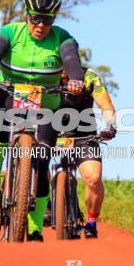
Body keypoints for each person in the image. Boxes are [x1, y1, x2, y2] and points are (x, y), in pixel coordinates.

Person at [0, 0, 84, 242]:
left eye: (47, 20)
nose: (40, 25)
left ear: (54, 18)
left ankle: (35, 228)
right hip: (10, 95)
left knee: (42, 160)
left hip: (46, 104)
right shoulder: (10, 32)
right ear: (26, 13)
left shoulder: (62, 38)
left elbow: (72, 60)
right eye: (35, 18)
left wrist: (76, 79)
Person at [52, 67, 117, 238]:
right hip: (49, 132)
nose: (65, 68)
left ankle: (91, 223)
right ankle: (48, 203)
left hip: (83, 134)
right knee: (34, 159)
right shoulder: (42, 73)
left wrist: (110, 125)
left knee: (94, 178)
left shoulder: (89, 76)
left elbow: (105, 104)